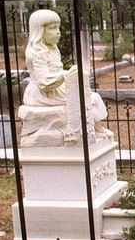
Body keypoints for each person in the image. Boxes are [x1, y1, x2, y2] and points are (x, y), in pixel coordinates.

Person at [21, 8, 112, 146]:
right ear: (39, 30)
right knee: (88, 98)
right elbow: (44, 83)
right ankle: (83, 130)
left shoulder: (52, 49)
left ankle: (95, 126)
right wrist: (65, 75)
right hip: (45, 93)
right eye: (52, 28)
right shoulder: (38, 53)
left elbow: (57, 71)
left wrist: (68, 74)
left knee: (91, 96)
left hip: (57, 88)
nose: (58, 32)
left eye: (58, 27)